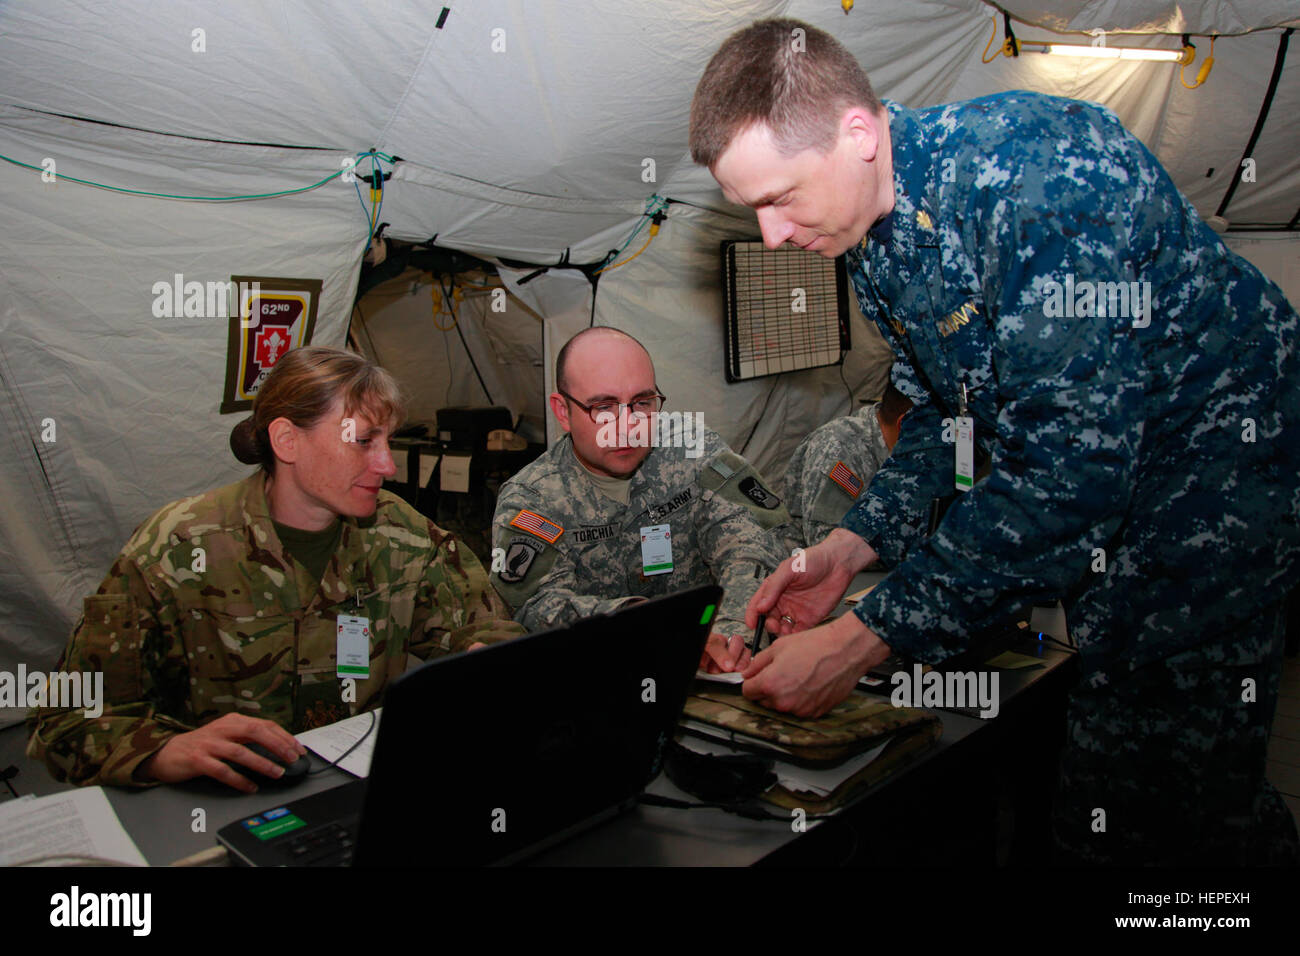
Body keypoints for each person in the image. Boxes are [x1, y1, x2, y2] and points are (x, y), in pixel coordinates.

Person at [690, 18, 1300, 864]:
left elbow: (1070, 473)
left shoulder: (1036, 182)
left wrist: (870, 636)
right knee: (1179, 770)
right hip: (1124, 479)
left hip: (1216, 476)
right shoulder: (872, 235)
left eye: (777, 197)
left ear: (858, 134)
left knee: (1140, 793)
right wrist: (849, 543)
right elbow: (951, 412)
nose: (771, 237)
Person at [28, 346, 523, 792]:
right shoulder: (179, 549)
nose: (387, 466)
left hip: (355, 790)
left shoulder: (400, 533)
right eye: (363, 442)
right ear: (287, 441)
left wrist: (486, 659)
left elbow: (483, 629)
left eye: (387, 441)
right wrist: (162, 752)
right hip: (220, 803)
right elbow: (67, 721)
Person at [491, 327, 789, 673]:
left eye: (642, 403)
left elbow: (754, 545)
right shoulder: (533, 500)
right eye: (603, 407)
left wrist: (730, 634)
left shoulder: (693, 452)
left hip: (718, 669)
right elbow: (536, 607)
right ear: (562, 411)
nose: (627, 425)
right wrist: (659, 629)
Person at [782, 380, 911, 551]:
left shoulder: (905, 455)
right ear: (904, 423)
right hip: (816, 568)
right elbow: (827, 545)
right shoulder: (839, 449)